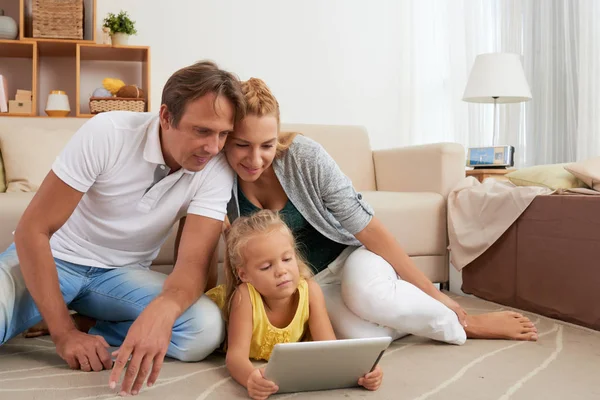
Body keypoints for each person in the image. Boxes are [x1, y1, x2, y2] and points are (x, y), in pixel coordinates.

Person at [197, 77, 538, 346]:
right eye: (242, 144)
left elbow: (369, 229)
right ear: (226, 139)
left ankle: (465, 323)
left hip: (350, 258)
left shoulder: (304, 157)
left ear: (278, 137)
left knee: (366, 295)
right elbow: (223, 252)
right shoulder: (217, 176)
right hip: (310, 284)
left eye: (267, 146)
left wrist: (437, 295)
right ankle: (404, 318)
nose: (254, 159)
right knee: (362, 339)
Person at [0, 60, 245, 396]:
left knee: (204, 328)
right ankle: (56, 314)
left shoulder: (216, 168)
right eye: (202, 131)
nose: (214, 147)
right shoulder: (108, 133)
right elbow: (32, 230)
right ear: (165, 117)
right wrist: (63, 334)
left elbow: (192, 267)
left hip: (119, 280)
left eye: (223, 134)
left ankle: (88, 324)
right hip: (55, 259)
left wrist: (163, 310)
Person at [206, 209, 383, 400]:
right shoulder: (244, 296)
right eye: (266, 267)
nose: (281, 271)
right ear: (244, 275)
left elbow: (329, 347)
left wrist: (362, 372)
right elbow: (235, 357)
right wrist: (251, 378)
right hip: (209, 314)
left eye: (287, 259)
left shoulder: (310, 291)